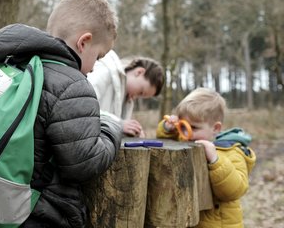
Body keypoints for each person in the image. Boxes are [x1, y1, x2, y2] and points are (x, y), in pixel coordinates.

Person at [0, 0, 122, 228]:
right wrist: (112, 126)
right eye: (99, 56)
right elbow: (83, 164)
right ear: (84, 42)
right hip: (35, 216)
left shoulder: (9, 68)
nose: (94, 67)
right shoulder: (72, 84)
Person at [156, 87, 256, 228]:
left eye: (194, 128)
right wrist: (168, 128)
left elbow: (234, 191)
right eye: (183, 127)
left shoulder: (232, 151)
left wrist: (216, 160)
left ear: (215, 128)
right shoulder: (188, 140)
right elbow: (165, 141)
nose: (186, 134)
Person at [87, 50, 164, 137]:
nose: (136, 97)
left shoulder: (126, 97)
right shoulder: (104, 72)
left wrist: (132, 131)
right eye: (141, 92)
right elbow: (84, 106)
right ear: (139, 72)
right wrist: (119, 124)